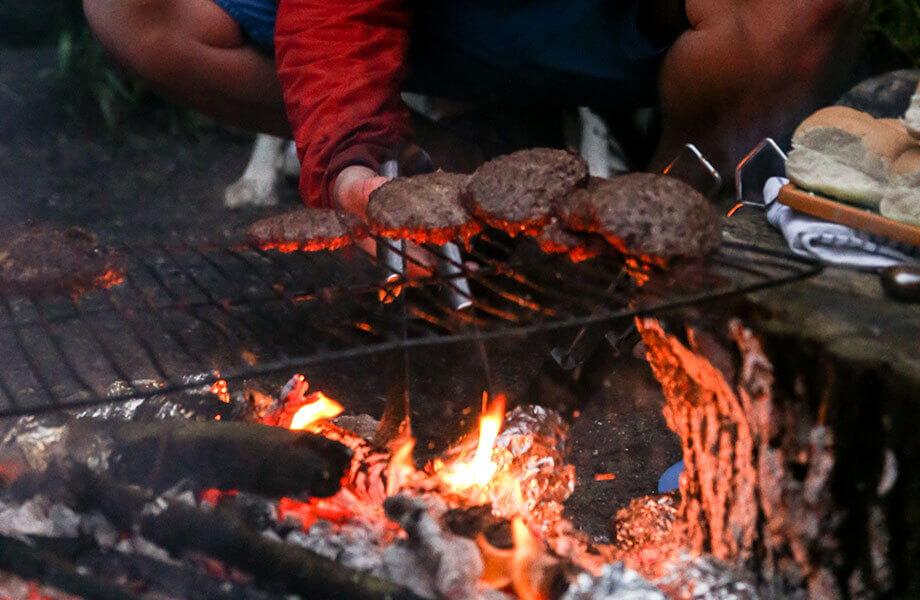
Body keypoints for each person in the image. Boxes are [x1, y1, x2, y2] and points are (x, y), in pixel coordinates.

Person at [82, 0, 866, 220]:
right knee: (129, 5)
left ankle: (655, 234)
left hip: (600, 25)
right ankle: (446, 173)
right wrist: (357, 160)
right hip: (423, 22)